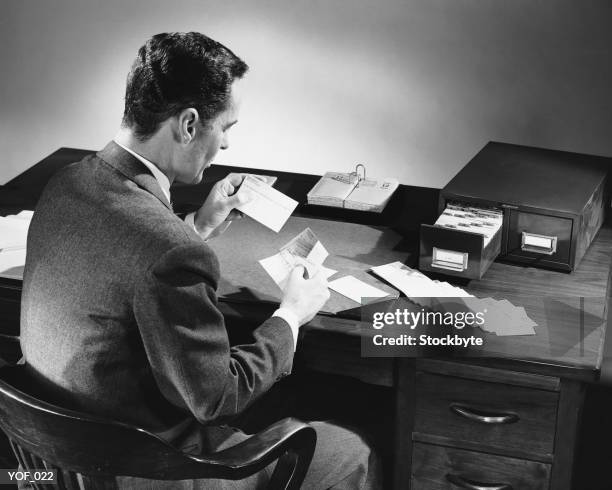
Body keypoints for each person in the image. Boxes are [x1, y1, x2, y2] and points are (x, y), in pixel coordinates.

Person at [20, 32, 379, 488]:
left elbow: (126, 255)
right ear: (189, 124)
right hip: (141, 469)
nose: (226, 145)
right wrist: (291, 314)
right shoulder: (171, 252)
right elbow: (216, 397)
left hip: (51, 463)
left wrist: (198, 225)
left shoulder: (66, 183)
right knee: (354, 449)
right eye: (226, 127)